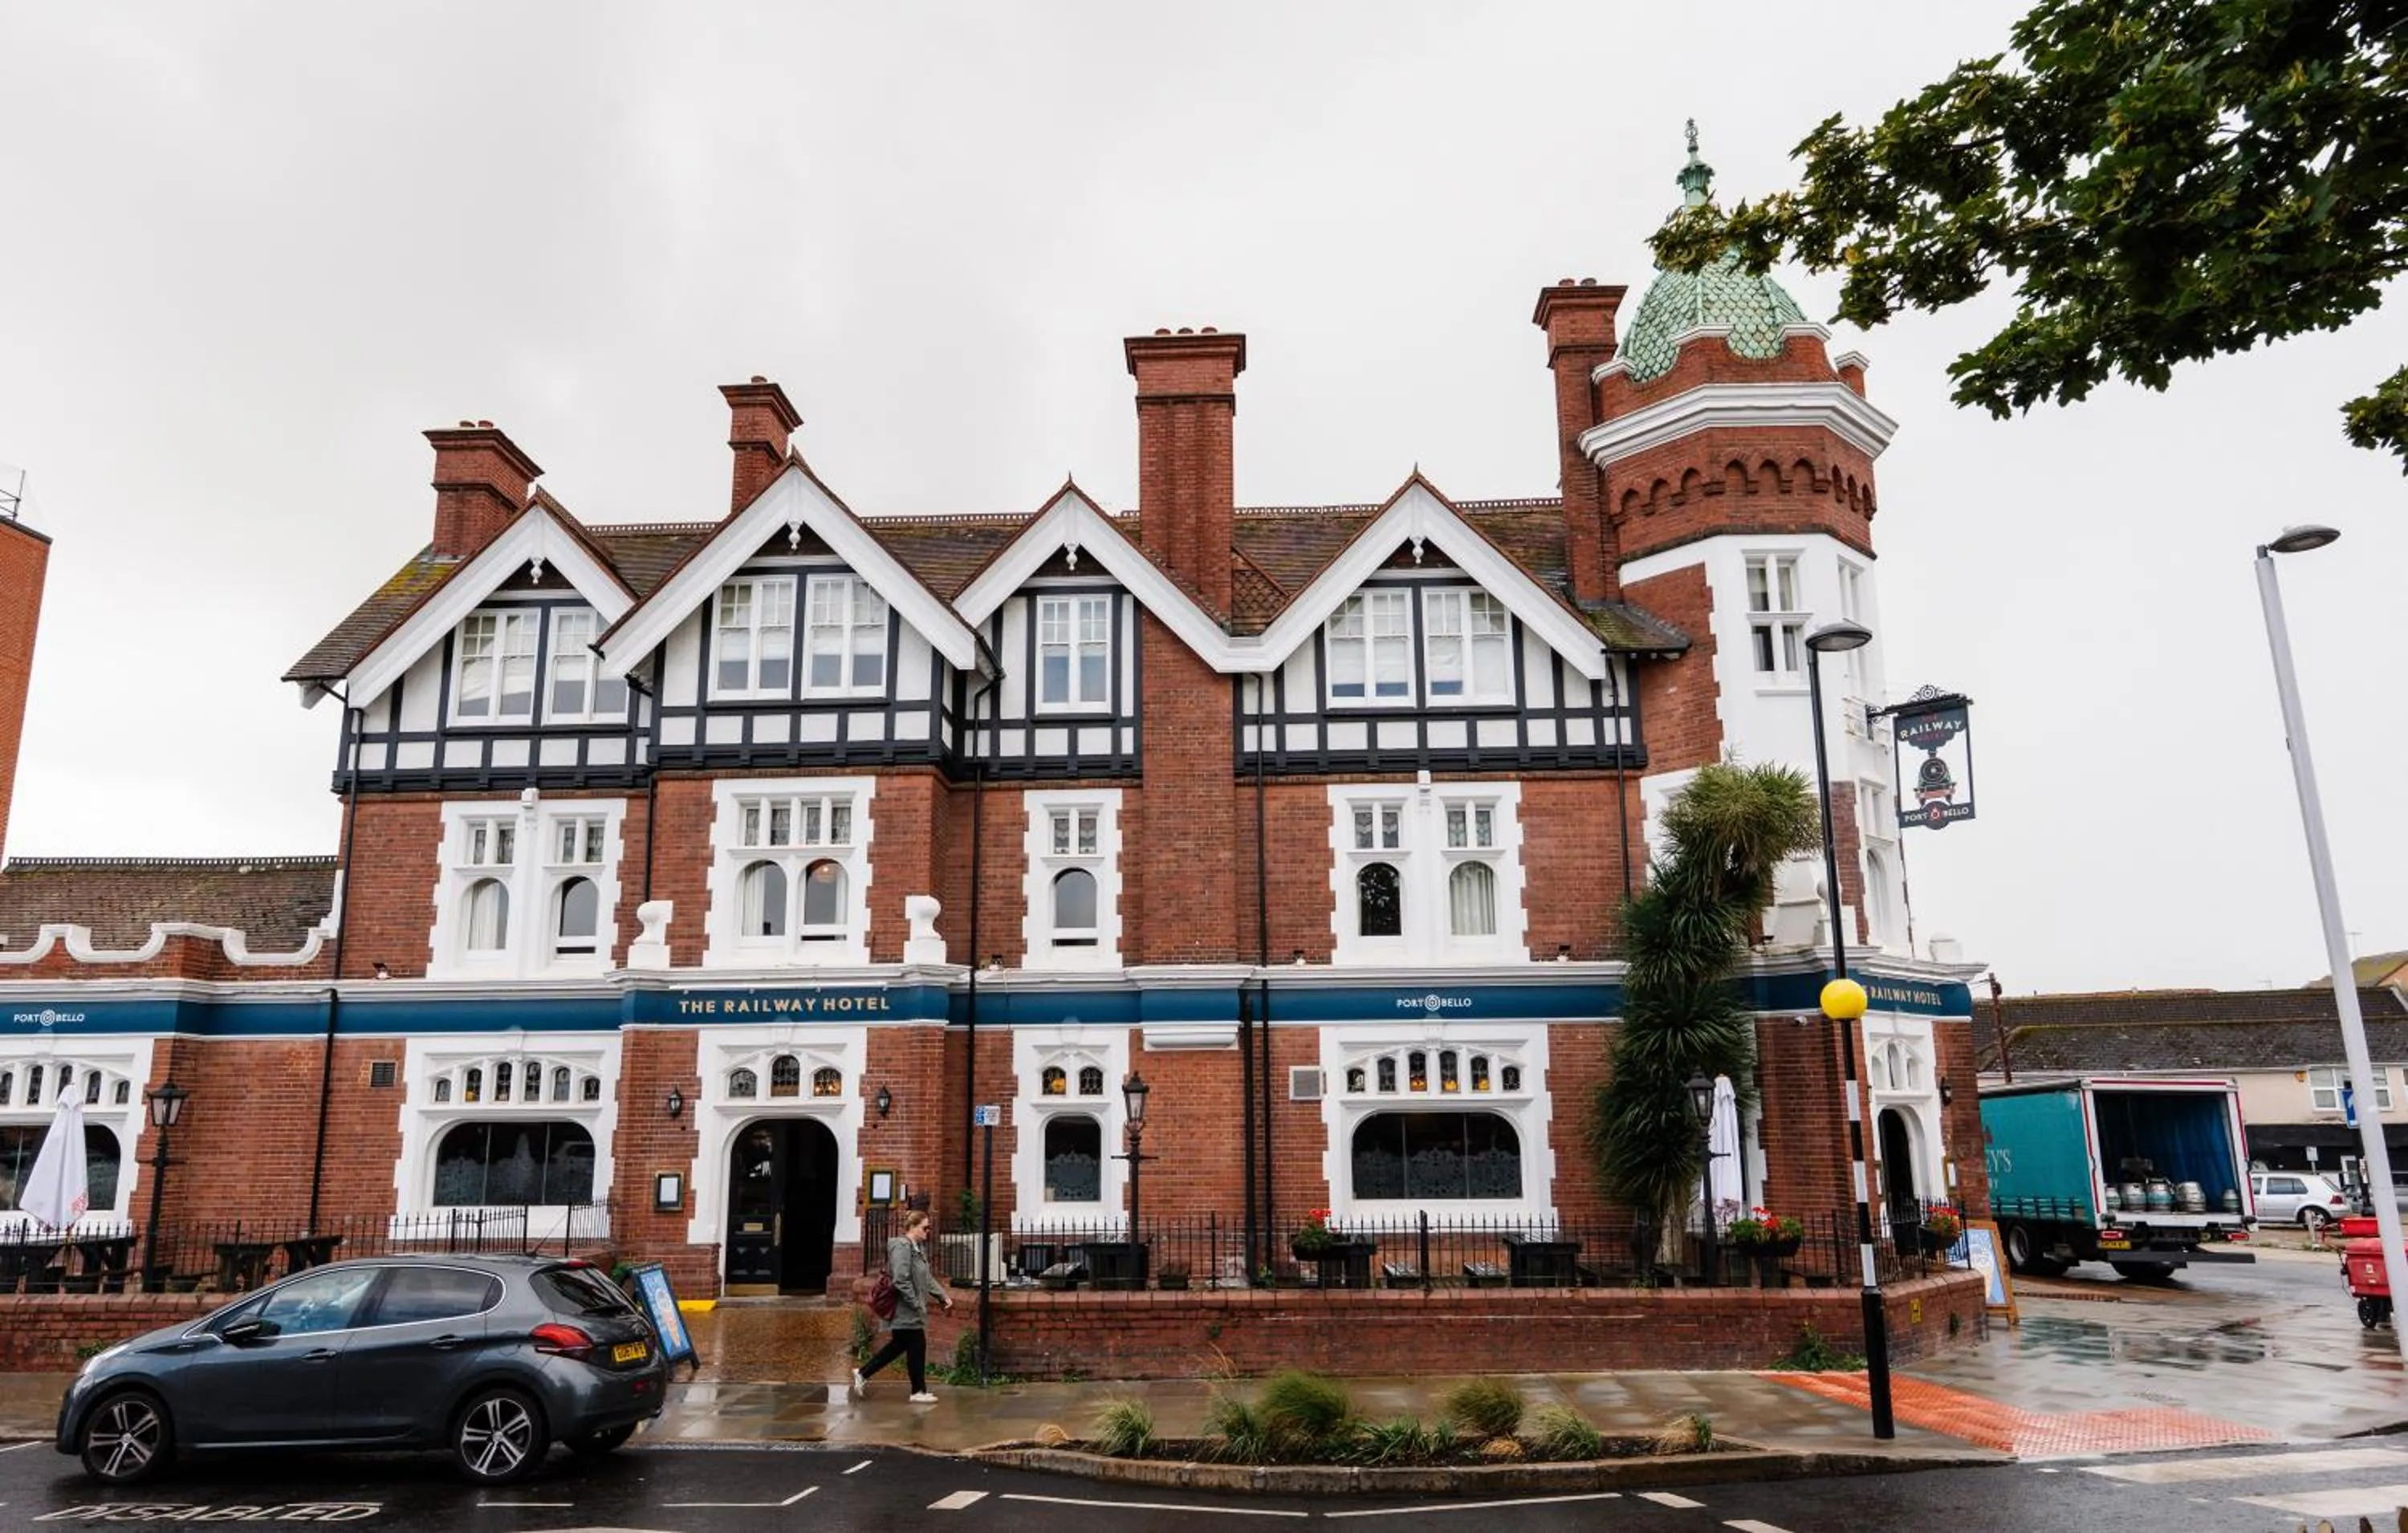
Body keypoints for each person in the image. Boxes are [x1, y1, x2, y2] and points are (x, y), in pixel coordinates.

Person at [853, 1209, 952, 1403]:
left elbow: (926, 1277)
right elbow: (900, 1279)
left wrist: (942, 1296)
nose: (928, 1231)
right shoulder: (902, 1247)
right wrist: (916, 1303)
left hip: (910, 1308)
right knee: (915, 1345)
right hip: (904, 1308)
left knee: (901, 1346)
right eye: (925, 1227)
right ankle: (917, 1391)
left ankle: (864, 1374)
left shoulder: (916, 1248)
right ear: (913, 1227)